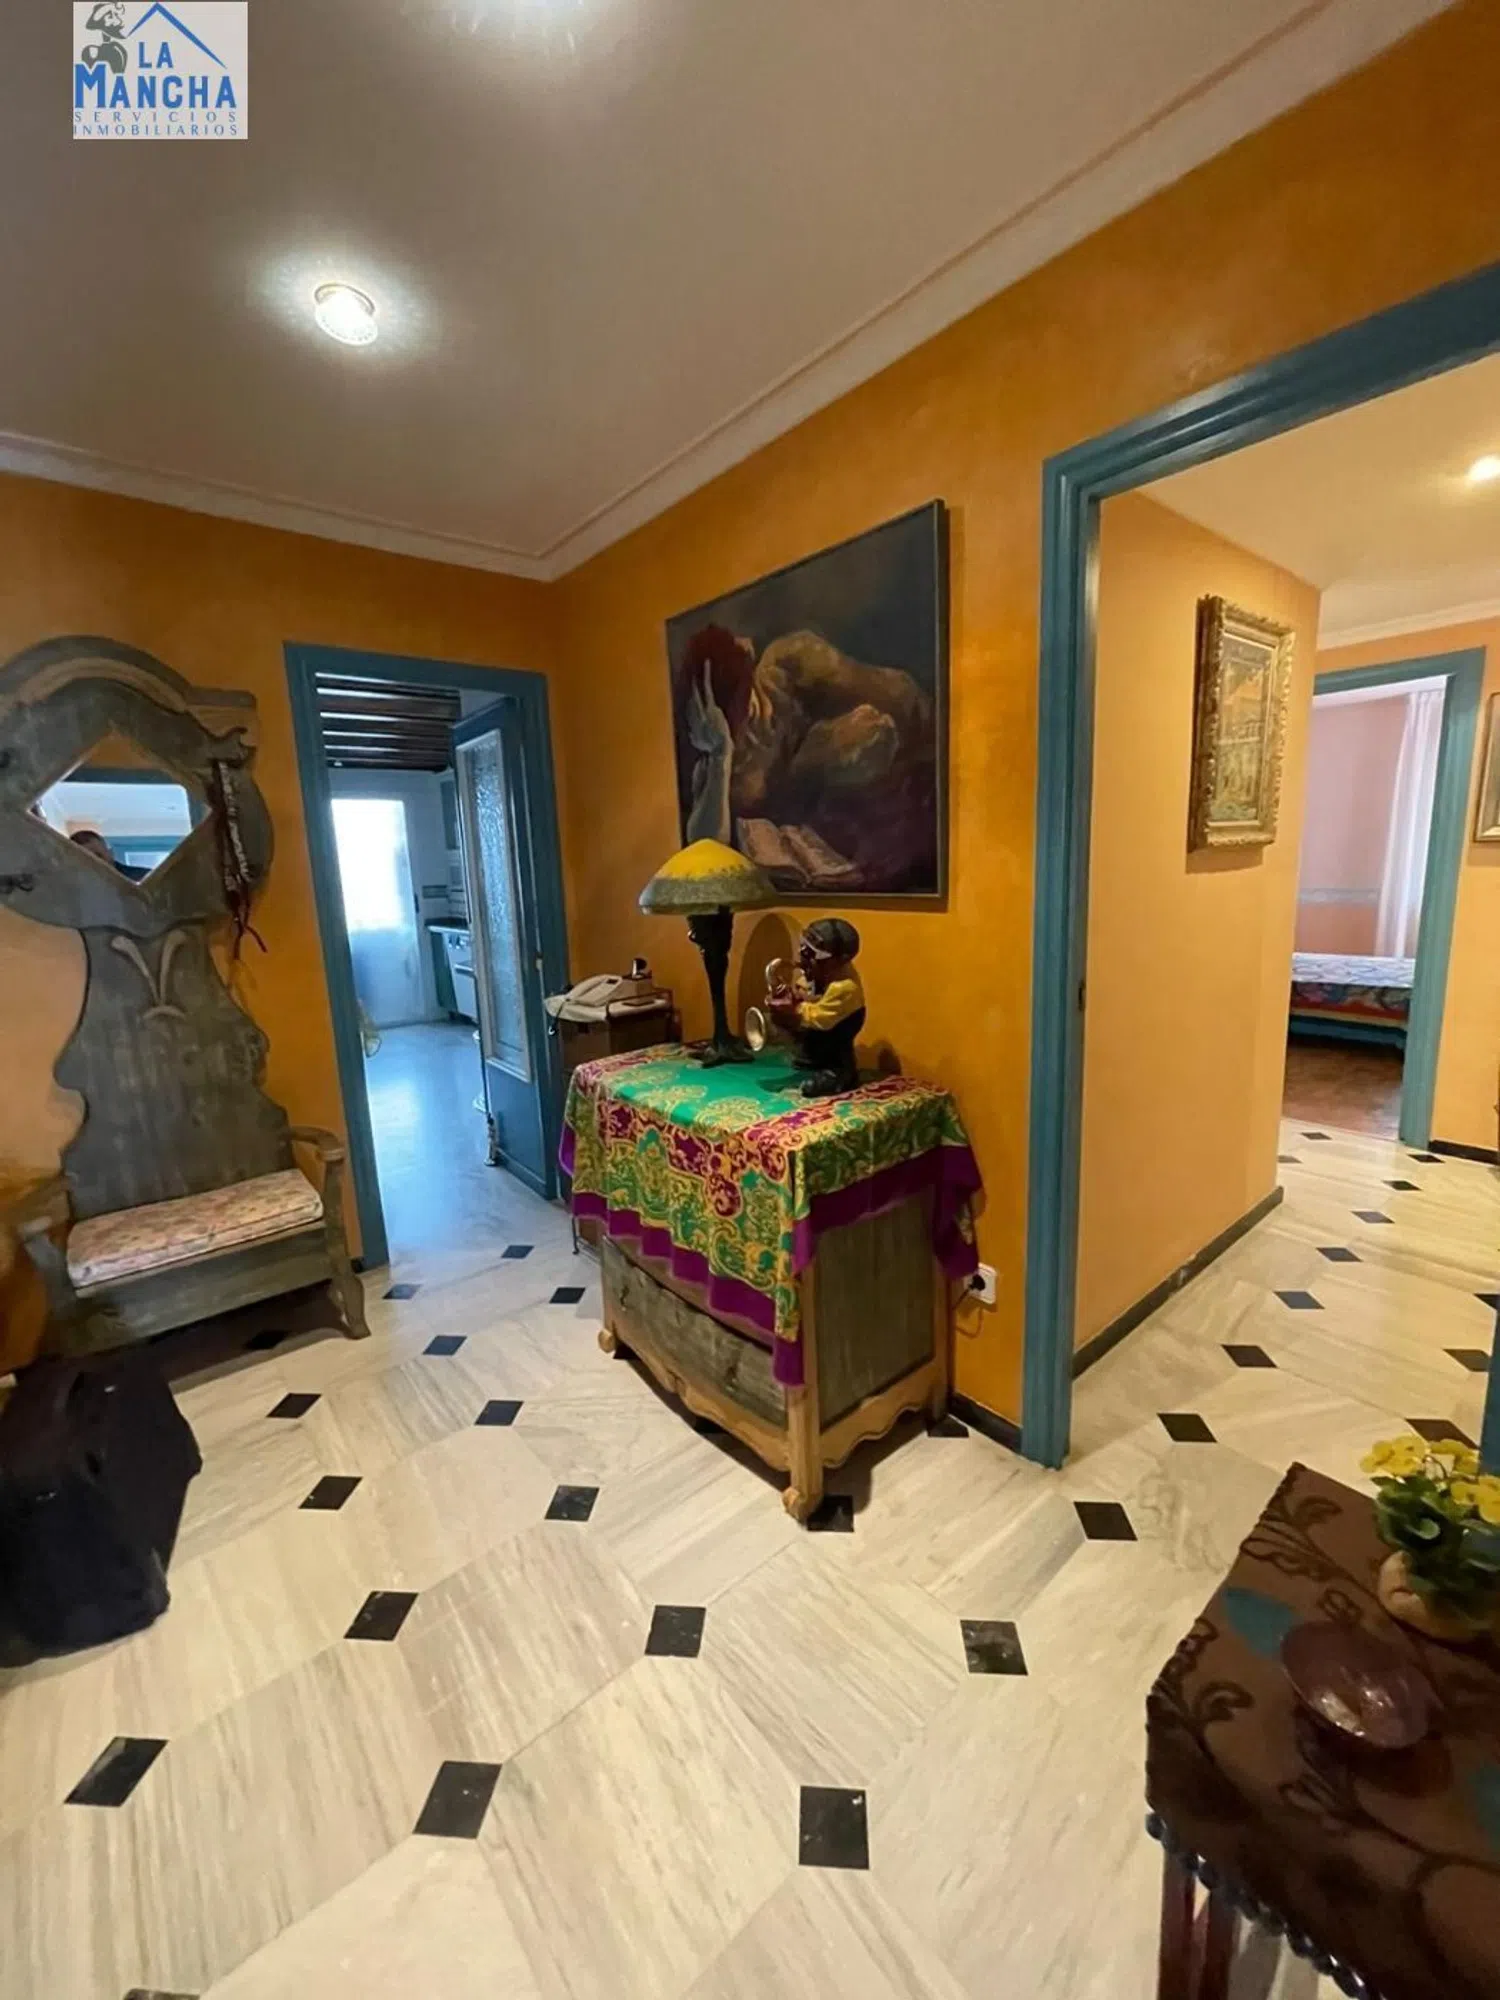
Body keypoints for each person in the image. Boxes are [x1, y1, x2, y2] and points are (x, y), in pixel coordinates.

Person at [768, 917, 865, 1097]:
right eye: (803, 948)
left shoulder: (844, 987)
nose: (802, 956)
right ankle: (812, 1057)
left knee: (837, 1048)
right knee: (811, 1040)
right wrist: (795, 995)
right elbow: (807, 989)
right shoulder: (820, 972)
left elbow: (822, 1018)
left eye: (811, 954)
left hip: (839, 1026)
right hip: (819, 1028)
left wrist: (794, 1009)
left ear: (838, 961)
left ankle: (841, 1074)